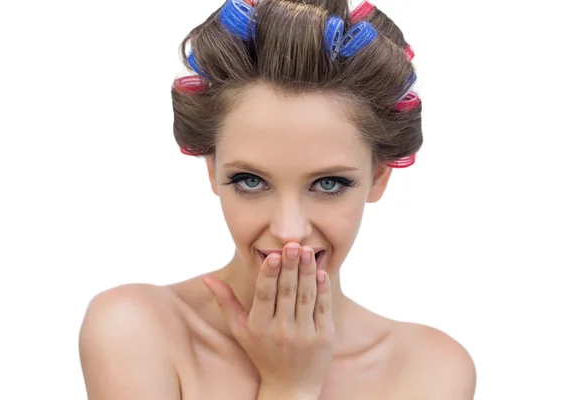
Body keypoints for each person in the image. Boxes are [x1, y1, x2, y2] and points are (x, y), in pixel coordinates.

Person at [78, 0, 477, 398]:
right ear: (212, 170)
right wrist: (290, 386)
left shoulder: (430, 370)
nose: (289, 232)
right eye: (250, 181)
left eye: (328, 184)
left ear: (378, 177)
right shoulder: (134, 328)